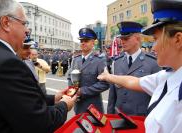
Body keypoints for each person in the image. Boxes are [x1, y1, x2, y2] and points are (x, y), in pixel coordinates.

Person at [0, 0, 77, 133]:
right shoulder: (8, 64)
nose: (27, 30)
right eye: (24, 23)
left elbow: (14, 101)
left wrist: (53, 99)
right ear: (6, 23)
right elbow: (40, 123)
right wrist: (64, 105)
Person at [98, 0, 182, 132]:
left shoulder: (158, 66)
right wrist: (109, 77)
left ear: (178, 39)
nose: (153, 47)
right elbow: (133, 81)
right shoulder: (167, 76)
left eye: (156, 39)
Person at [107, 21, 161, 115]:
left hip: (140, 118)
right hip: (118, 117)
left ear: (137, 38)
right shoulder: (116, 62)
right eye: (121, 38)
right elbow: (112, 95)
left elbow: (157, 97)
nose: (122, 41)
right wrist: (109, 116)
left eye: (126, 38)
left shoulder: (153, 63)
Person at [67, 28, 109, 114]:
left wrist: (82, 91)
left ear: (93, 42)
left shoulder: (99, 60)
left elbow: (105, 83)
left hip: (93, 106)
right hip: (78, 105)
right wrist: (72, 91)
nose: (83, 43)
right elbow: (69, 77)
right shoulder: (76, 59)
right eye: (81, 41)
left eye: (86, 41)